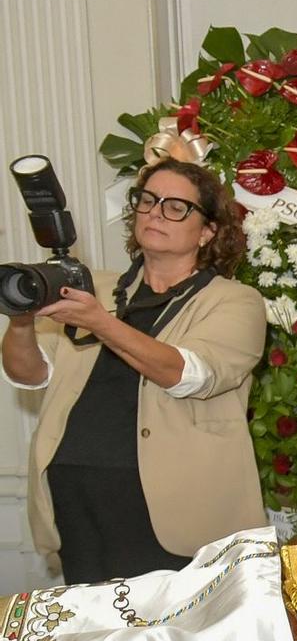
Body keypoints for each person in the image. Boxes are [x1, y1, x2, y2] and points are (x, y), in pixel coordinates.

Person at [1, 159, 266, 584]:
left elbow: (188, 374)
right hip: (76, 498)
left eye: (176, 206)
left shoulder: (235, 301)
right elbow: (30, 374)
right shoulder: (95, 288)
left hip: (172, 509)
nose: (156, 211)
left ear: (208, 231)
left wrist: (100, 322)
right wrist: (21, 318)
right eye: (147, 200)